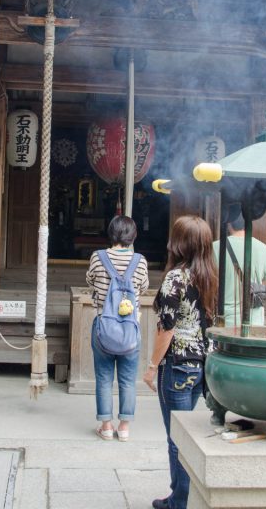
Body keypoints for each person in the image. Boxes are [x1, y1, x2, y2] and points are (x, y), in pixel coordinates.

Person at [143, 215, 217, 509]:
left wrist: (151, 367)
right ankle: (183, 496)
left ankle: (180, 501)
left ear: (179, 243)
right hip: (201, 363)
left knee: (177, 436)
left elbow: (167, 327)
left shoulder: (177, 277)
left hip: (176, 364)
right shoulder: (210, 275)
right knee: (188, 434)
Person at [85, 215, 149, 442]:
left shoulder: (97, 257)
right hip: (131, 329)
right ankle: (124, 428)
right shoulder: (140, 261)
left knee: (103, 378)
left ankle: (105, 426)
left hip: (104, 325)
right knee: (128, 380)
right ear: (133, 236)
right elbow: (143, 287)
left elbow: (90, 282)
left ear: (110, 233)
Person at [212, 204, 266, 328]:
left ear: (228, 223)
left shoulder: (215, 247)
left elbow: (210, 283)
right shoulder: (263, 248)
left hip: (225, 319)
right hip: (255, 320)